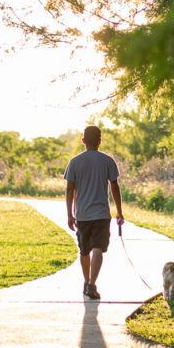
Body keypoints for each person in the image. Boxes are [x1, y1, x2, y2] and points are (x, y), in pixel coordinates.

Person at [64, 125, 124, 299]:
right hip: (102, 214)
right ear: (100, 141)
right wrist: (119, 211)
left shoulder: (74, 162)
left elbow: (69, 189)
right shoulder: (107, 160)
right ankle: (91, 283)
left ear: (83, 141)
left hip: (82, 215)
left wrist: (69, 214)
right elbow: (115, 187)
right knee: (98, 247)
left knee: (84, 250)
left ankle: (87, 281)